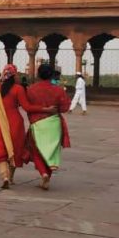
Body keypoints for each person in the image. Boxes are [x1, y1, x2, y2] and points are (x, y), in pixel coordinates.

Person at [0, 63, 50, 188]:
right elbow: (27, 107)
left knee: (0, 148)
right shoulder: (18, 89)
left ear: (3, 74)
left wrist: (0, 109)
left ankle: (4, 176)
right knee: (14, 150)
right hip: (15, 122)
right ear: (14, 76)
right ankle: (10, 178)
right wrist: (45, 109)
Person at [25, 63, 72, 191]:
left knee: (36, 150)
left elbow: (27, 106)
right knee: (51, 151)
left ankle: (43, 173)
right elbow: (65, 107)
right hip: (54, 123)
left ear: (38, 75)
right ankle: (47, 178)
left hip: (38, 122)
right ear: (51, 75)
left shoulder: (31, 89)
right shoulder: (58, 90)